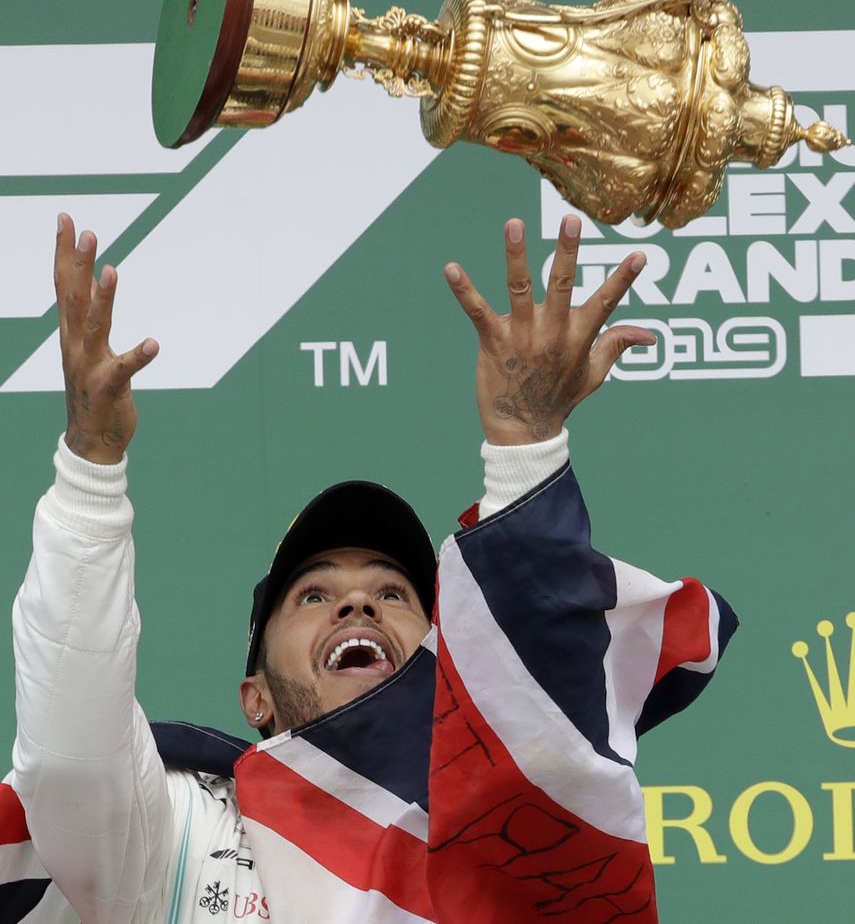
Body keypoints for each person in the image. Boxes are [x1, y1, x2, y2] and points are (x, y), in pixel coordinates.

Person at [4, 213, 736, 923]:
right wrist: (90, 472)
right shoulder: (178, 826)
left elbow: (537, 714)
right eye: (314, 593)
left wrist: (525, 444)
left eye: (392, 590)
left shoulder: (503, 833)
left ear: (442, 661)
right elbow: (71, 756)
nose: (357, 602)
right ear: (254, 696)